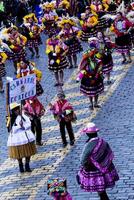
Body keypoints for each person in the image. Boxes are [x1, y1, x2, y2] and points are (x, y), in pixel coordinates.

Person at [77, 122, 119, 200]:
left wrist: (86, 167)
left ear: (87, 134)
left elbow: (83, 160)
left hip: (95, 171)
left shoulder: (89, 145)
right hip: (106, 169)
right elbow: (109, 153)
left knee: (101, 192)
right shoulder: (103, 141)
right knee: (102, 192)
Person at [7, 103, 37, 173]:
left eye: (18, 109)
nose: (17, 111)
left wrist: (24, 126)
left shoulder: (23, 116)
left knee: (28, 151)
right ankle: (20, 165)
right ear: (13, 111)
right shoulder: (9, 118)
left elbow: (29, 124)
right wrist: (19, 126)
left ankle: (27, 165)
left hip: (26, 136)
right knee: (18, 153)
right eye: (16, 110)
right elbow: (10, 130)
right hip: (17, 138)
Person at [77, 37, 104, 110]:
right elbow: (82, 68)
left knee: (96, 91)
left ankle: (95, 103)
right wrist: (83, 75)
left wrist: (96, 76)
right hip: (88, 78)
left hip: (96, 77)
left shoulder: (97, 59)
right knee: (90, 92)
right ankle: (91, 103)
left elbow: (100, 67)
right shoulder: (86, 60)